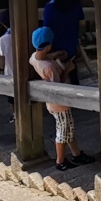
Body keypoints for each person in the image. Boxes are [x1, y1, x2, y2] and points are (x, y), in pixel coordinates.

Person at [29, 27, 85, 171]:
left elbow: (42, 56)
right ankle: (60, 160)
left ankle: (76, 153)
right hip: (58, 102)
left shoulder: (34, 57)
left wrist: (53, 55)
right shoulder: (49, 68)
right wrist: (67, 69)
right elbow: (58, 86)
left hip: (53, 102)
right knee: (63, 130)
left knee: (68, 127)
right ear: (48, 45)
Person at [43, 0, 87, 82]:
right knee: (73, 76)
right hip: (71, 48)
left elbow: (46, 30)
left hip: (54, 50)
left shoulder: (49, 8)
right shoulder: (76, 5)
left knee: (56, 79)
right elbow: (81, 23)